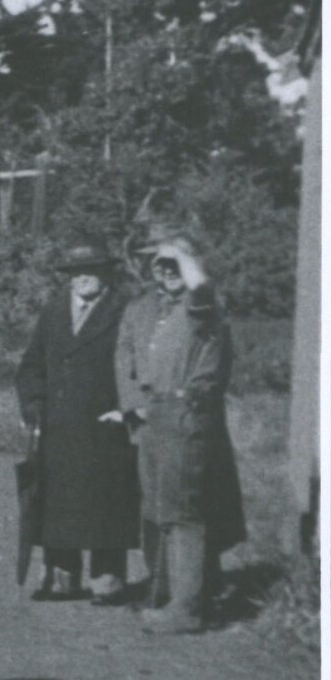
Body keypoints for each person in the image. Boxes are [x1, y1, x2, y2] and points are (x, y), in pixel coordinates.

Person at [115, 222, 246, 634]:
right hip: (157, 415)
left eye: (174, 264)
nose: (165, 271)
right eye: (159, 265)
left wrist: (181, 253)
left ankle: (186, 609)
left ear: (190, 266)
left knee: (183, 513)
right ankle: (168, 597)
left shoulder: (202, 306)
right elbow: (127, 358)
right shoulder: (153, 310)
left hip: (186, 414)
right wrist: (136, 406)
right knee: (157, 509)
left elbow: (201, 287)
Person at [14, 240, 139, 604]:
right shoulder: (54, 311)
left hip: (106, 424)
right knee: (59, 504)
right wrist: (33, 406)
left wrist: (126, 408)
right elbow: (31, 365)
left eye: (91, 271)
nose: (82, 279)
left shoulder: (123, 310)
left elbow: (136, 366)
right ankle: (60, 579)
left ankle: (108, 580)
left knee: (106, 503)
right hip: (58, 424)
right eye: (75, 272)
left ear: (106, 274)